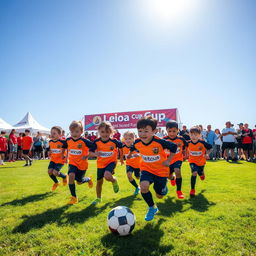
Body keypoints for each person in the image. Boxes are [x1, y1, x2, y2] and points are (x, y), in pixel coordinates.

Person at [128, 116, 177, 221]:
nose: (142, 134)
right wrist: (129, 154)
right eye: (140, 131)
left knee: (159, 195)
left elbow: (174, 147)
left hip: (161, 171)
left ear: (154, 131)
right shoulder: (137, 142)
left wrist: (169, 160)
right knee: (144, 186)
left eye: (146, 131)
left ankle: (164, 188)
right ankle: (152, 208)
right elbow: (133, 147)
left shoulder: (159, 141)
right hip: (146, 169)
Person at [90, 122, 124, 205]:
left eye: (107, 132)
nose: (105, 134)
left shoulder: (114, 141)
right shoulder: (96, 142)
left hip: (111, 162)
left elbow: (121, 148)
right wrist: (95, 154)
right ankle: (98, 198)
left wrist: (121, 158)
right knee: (99, 182)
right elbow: (89, 152)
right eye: (102, 132)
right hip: (100, 164)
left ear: (111, 132)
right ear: (98, 132)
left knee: (107, 176)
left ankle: (113, 180)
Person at [62, 121, 93, 205]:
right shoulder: (68, 140)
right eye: (72, 131)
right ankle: (74, 198)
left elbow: (94, 147)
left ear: (81, 132)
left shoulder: (85, 141)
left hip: (82, 165)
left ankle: (89, 179)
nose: (74, 134)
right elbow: (63, 147)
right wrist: (63, 155)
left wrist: (87, 156)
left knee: (79, 181)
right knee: (71, 176)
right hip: (72, 162)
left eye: (76, 131)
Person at [163, 121, 187, 199]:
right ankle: (172, 178)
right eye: (169, 131)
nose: (172, 133)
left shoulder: (181, 139)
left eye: (174, 131)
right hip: (168, 161)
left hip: (178, 159)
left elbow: (186, 146)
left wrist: (186, 154)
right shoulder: (164, 140)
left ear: (178, 130)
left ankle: (179, 191)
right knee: (168, 176)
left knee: (177, 171)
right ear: (166, 131)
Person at [187, 126, 212, 197]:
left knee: (200, 173)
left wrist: (207, 154)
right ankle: (192, 190)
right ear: (189, 135)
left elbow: (210, 148)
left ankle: (202, 174)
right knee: (194, 173)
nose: (193, 136)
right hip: (192, 161)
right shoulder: (187, 143)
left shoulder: (202, 143)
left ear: (200, 135)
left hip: (201, 162)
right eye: (192, 135)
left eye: (195, 135)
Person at [48, 126, 68, 191]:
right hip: (53, 159)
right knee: (49, 172)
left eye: (54, 133)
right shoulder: (50, 141)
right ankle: (56, 182)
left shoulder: (62, 142)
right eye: (51, 133)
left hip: (60, 160)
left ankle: (64, 177)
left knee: (55, 173)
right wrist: (50, 152)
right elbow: (51, 149)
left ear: (59, 135)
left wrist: (66, 157)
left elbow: (67, 149)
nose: (52, 135)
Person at [122, 131, 141, 196]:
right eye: (126, 139)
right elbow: (122, 155)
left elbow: (144, 153)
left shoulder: (137, 146)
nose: (127, 140)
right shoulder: (123, 147)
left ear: (133, 139)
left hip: (138, 165)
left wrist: (138, 154)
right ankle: (137, 187)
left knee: (137, 177)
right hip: (129, 164)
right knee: (129, 176)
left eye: (129, 138)